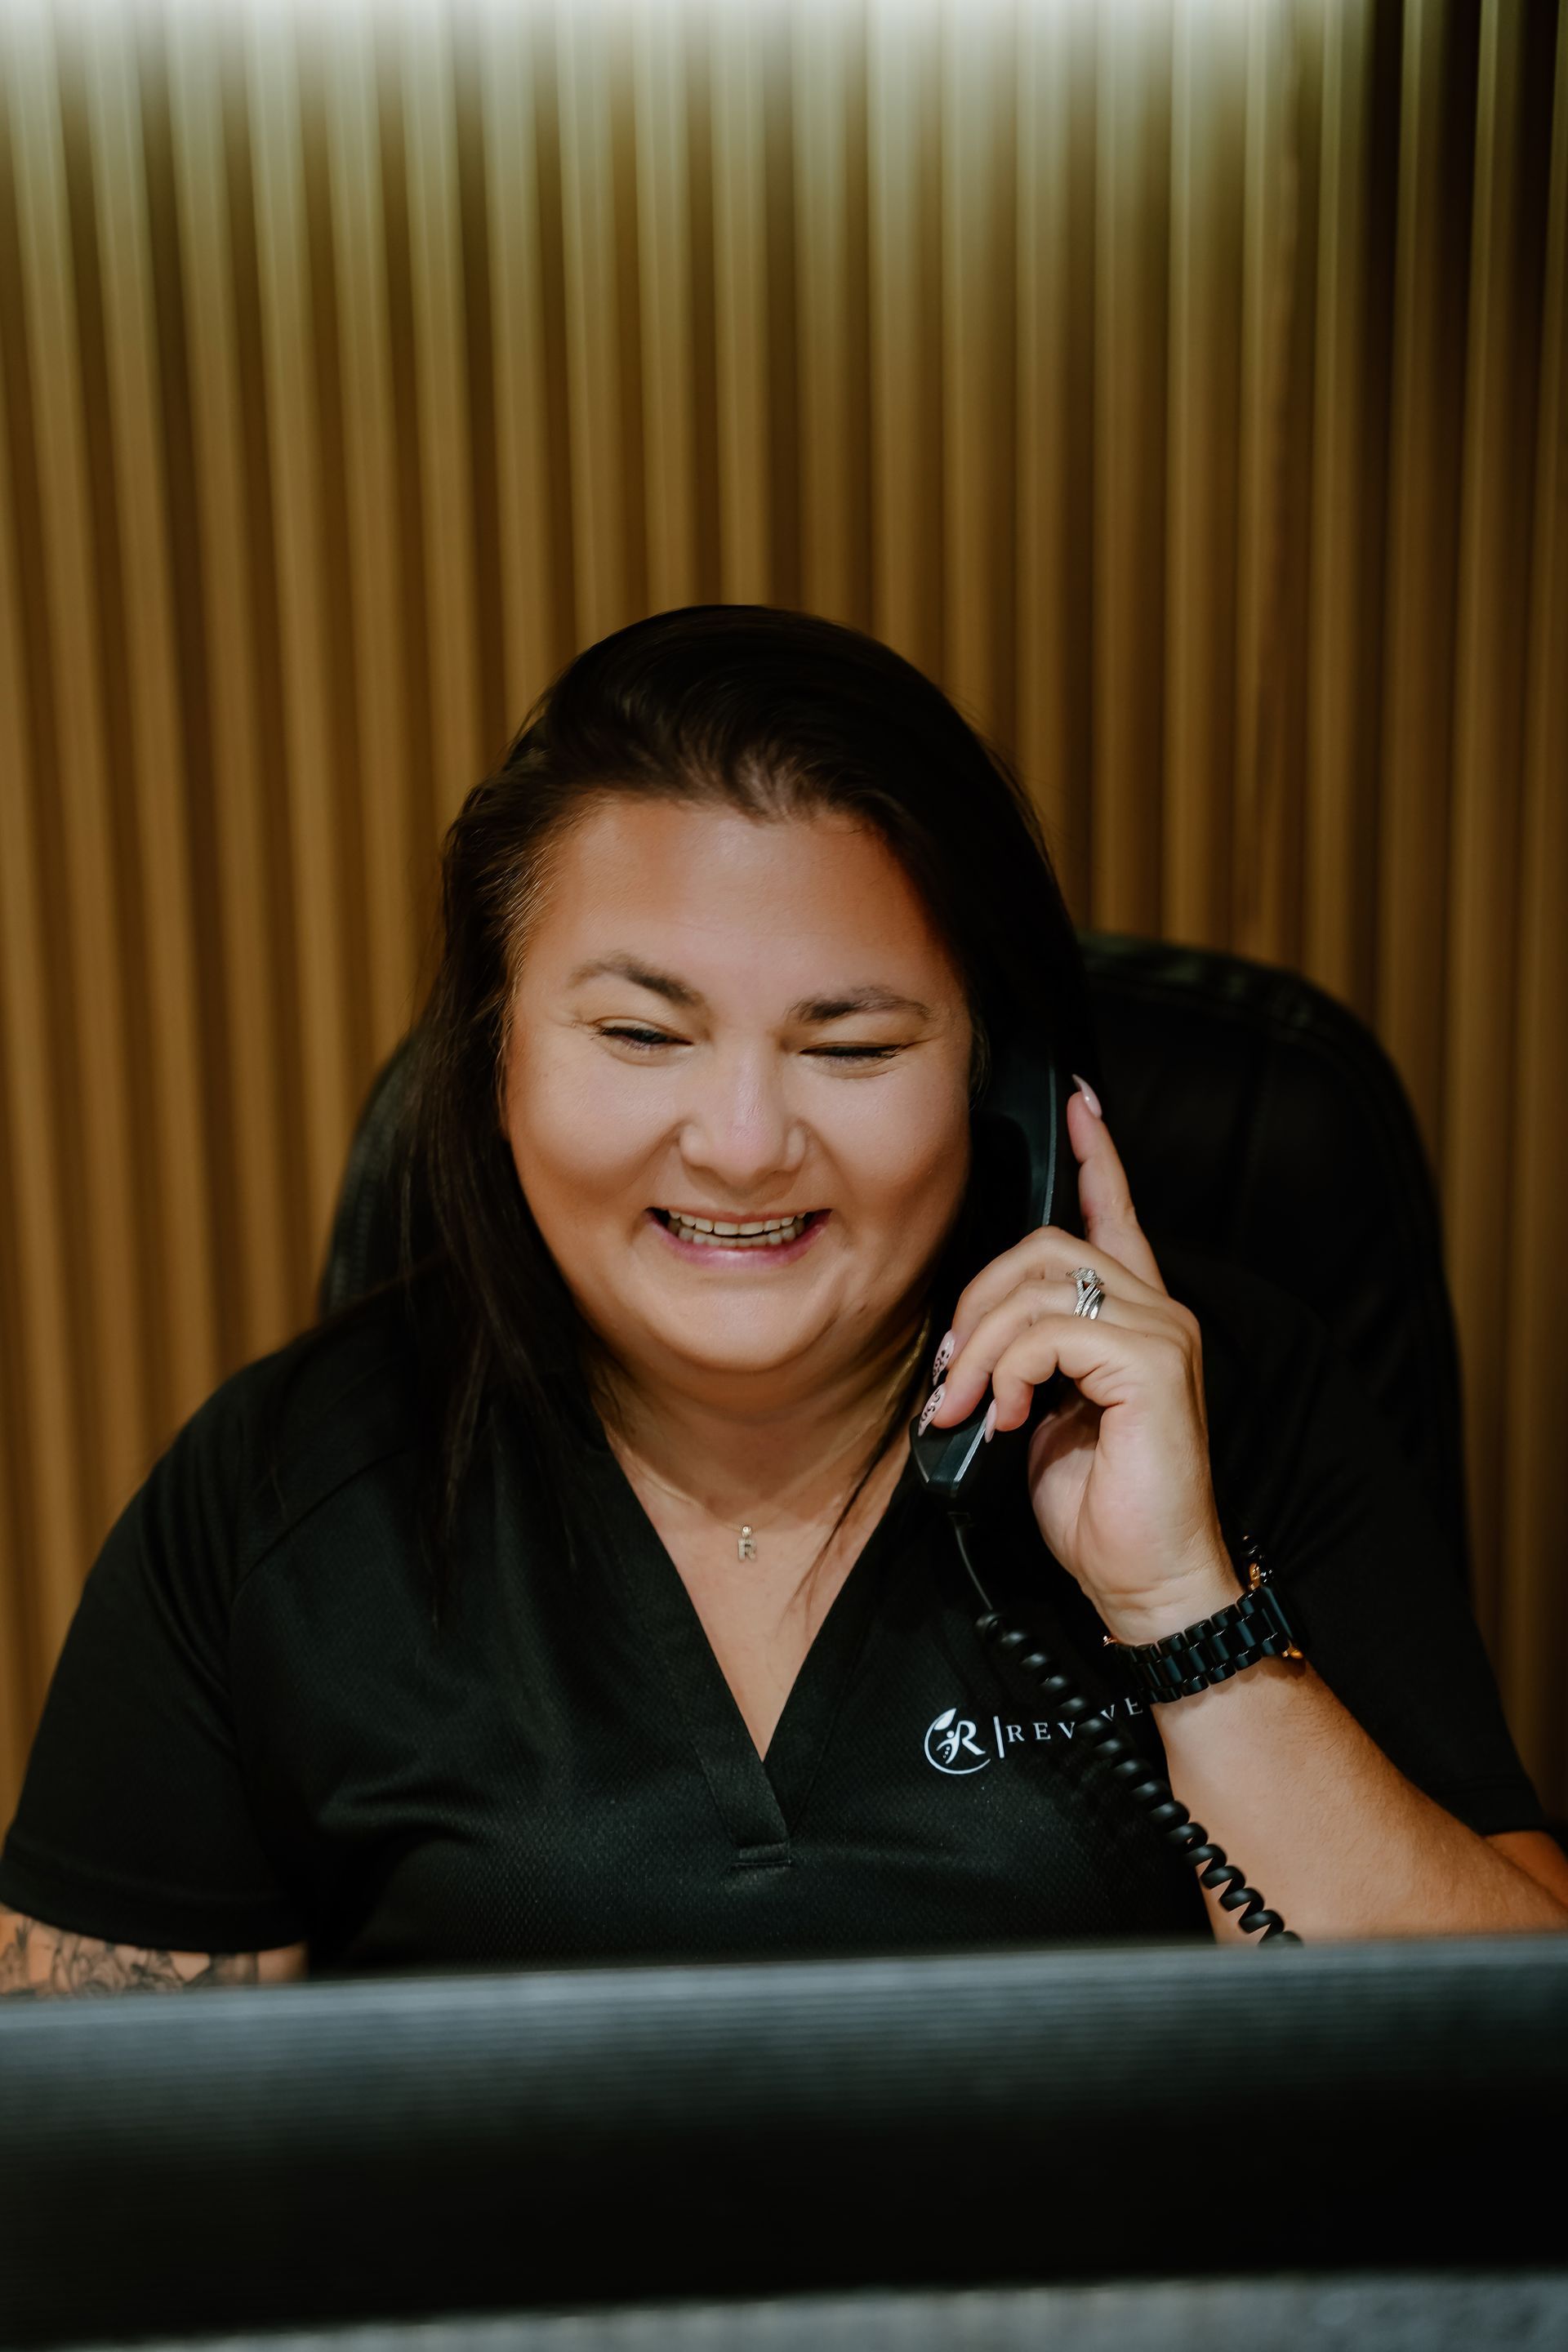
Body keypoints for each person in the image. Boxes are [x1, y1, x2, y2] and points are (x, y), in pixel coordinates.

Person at [2, 605, 1566, 1997]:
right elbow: (92, 2191)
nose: (743, 1147)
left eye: (854, 1047)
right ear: (492, 1057)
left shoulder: (1238, 1403)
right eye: (639, 1033)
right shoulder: (277, 1495)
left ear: (996, 1087)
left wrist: (1183, 1612)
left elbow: (1505, 2121)